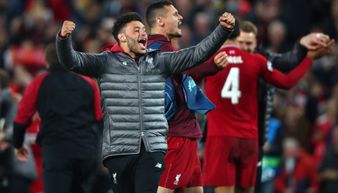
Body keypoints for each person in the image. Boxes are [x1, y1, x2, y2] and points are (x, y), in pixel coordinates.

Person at [56, 11, 235, 193]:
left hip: (153, 148)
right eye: (136, 30)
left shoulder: (158, 61)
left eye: (143, 29)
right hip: (120, 149)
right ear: (122, 38)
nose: (143, 34)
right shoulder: (105, 62)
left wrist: (223, 30)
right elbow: (71, 61)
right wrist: (63, 39)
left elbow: (196, 54)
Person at [202, 27, 332, 193]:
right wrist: (308, 58)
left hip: (220, 137)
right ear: (237, 40)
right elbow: (287, 82)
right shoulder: (257, 61)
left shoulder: (210, 60)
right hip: (249, 138)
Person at [145, 0, 227, 193]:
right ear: (160, 20)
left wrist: (211, 66)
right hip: (175, 134)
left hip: (183, 132)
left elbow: (183, 73)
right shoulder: (159, 51)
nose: (180, 17)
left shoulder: (160, 50)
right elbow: (192, 60)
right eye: (175, 14)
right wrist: (222, 33)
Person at [13, 43, 103, 193]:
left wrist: (18, 144)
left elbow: (22, 116)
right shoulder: (88, 83)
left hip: (56, 150)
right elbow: (100, 118)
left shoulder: (39, 82)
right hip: (86, 152)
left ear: (46, 61)